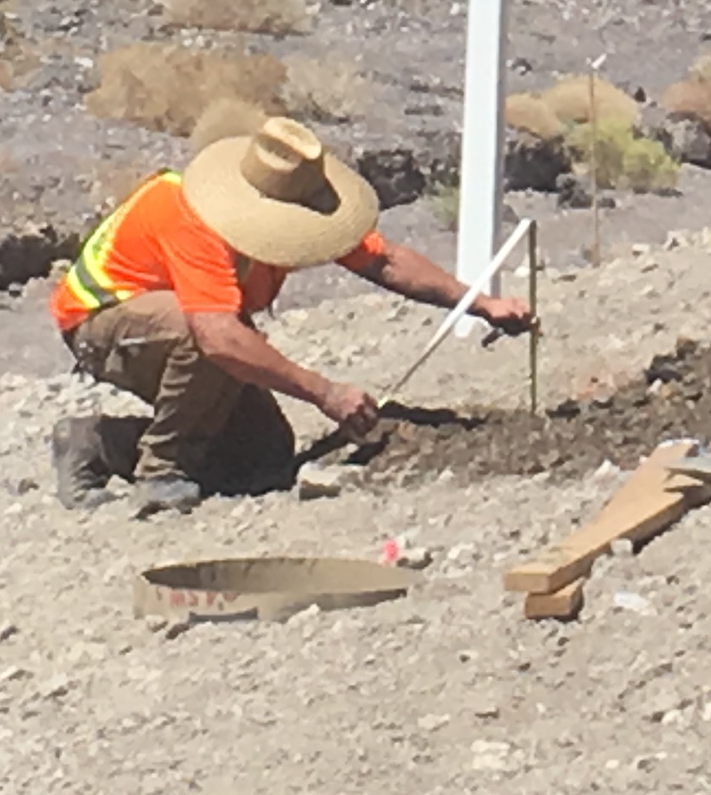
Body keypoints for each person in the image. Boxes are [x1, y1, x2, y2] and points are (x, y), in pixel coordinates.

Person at [49, 113, 532, 512]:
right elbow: (215, 334)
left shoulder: (294, 204)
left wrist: (481, 303)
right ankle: (162, 469)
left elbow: (383, 260)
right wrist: (325, 393)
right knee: (202, 336)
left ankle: (100, 442)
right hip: (104, 321)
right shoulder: (187, 212)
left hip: (199, 320)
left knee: (262, 454)